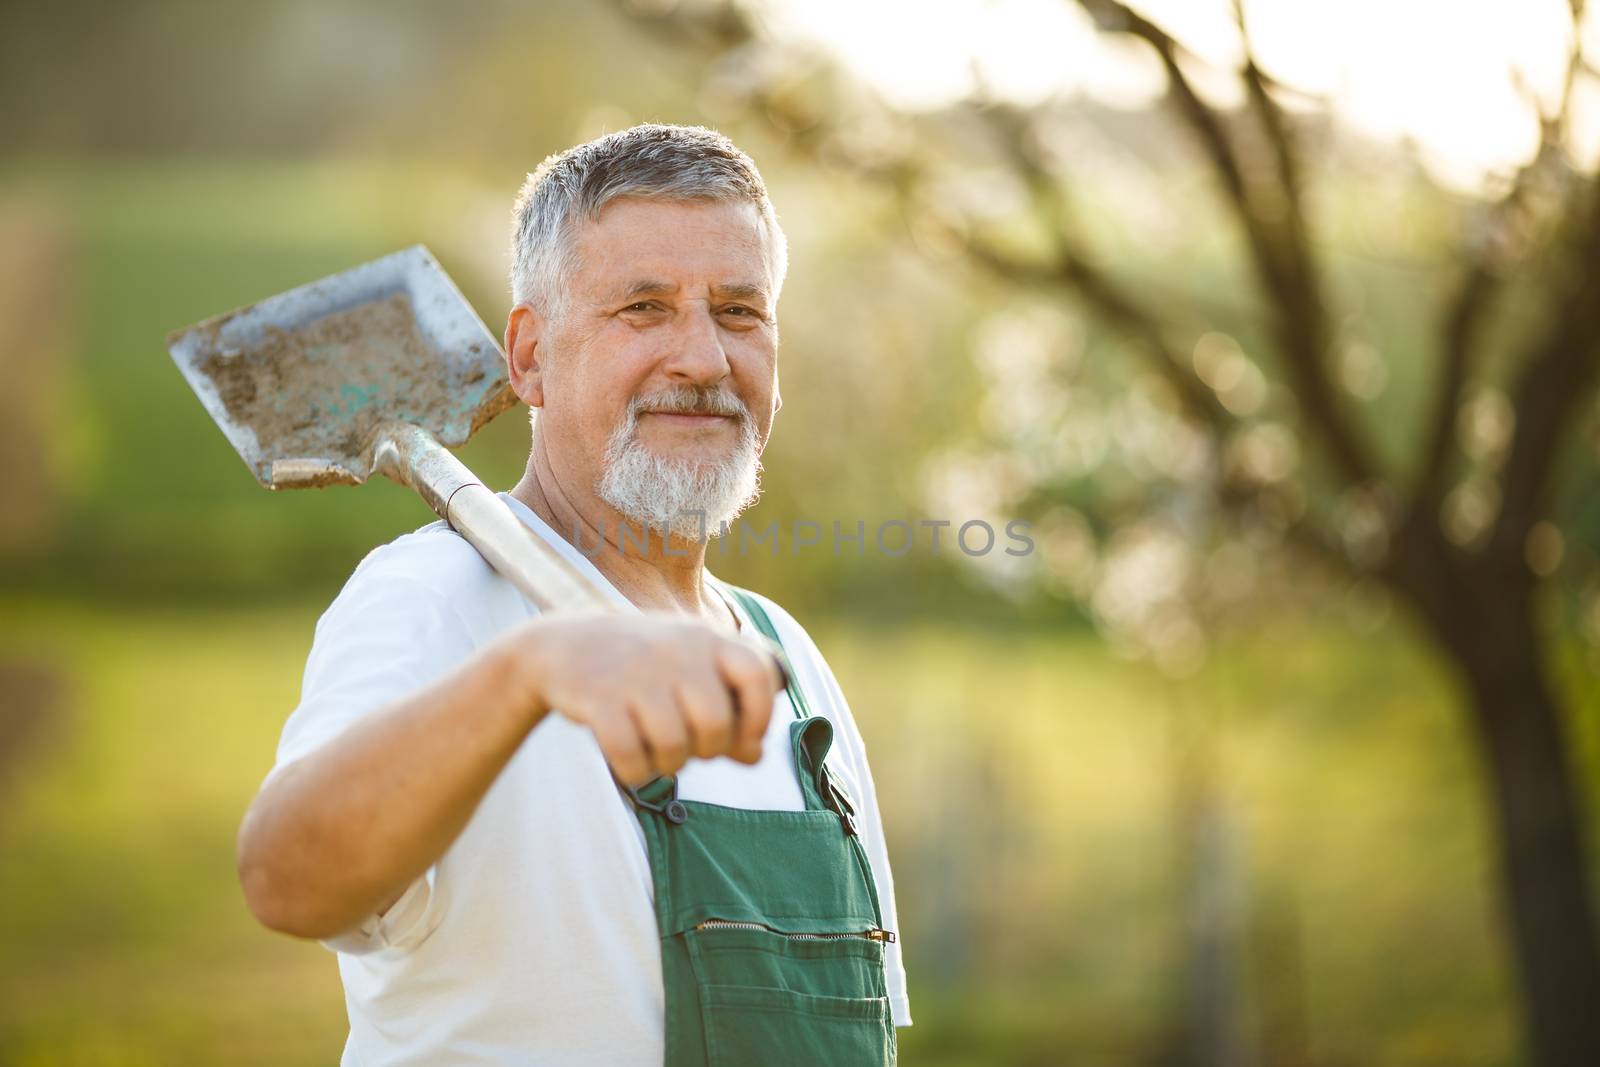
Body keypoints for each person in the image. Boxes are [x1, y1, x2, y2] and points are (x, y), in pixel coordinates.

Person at [236, 123, 911, 1066]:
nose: (705, 359)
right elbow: (285, 877)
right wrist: (531, 670)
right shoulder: (434, 598)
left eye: (739, 311)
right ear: (529, 355)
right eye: (644, 307)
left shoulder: (788, 666)